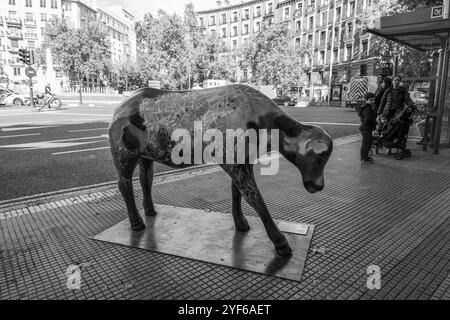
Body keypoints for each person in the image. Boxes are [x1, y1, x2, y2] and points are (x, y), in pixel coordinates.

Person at [357, 92, 377, 164]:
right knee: (366, 144)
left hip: (366, 128)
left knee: (367, 143)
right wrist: (375, 122)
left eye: (374, 100)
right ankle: (364, 158)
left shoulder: (365, 107)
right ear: (366, 100)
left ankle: (366, 157)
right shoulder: (368, 108)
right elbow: (368, 119)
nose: (373, 101)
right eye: (371, 100)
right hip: (366, 128)